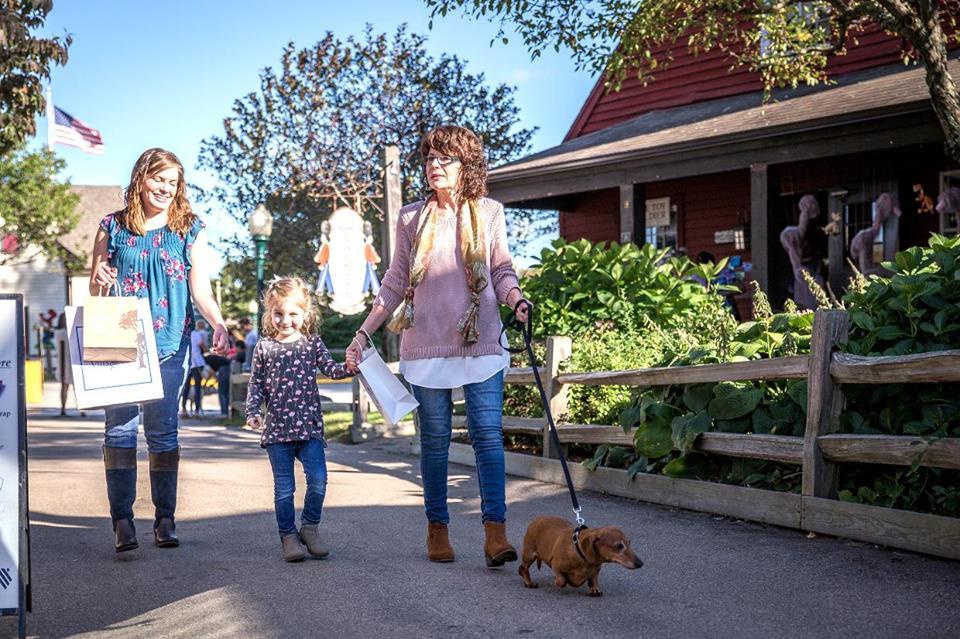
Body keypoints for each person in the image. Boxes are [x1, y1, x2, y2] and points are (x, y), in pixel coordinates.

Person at [345, 125, 530, 566]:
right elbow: (395, 281)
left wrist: (516, 300)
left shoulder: (489, 212)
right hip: (426, 345)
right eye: (429, 158)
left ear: (467, 165)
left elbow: (501, 270)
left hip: (481, 341)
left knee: (488, 435)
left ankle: (495, 533)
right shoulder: (411, 217)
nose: (434, 166)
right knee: (434, 441)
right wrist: (363, 332)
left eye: (445, 158)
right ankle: (437, 530)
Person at [89, 148, 229, 553]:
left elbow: (200, 289)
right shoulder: (111, 227)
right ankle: (122, 522)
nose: (165, 188)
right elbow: (96, 290)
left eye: (172, 182)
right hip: (120, 342)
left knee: (163, 431)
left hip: (169, 342)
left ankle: (165, 519)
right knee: (119, 430)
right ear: (141, 179)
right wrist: (99, 277)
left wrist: (219, 323)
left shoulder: (188, 228)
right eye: (158, 179)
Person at [245, 277, 350, 562]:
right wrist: (253, 412)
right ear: (269, 313)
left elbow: (331, 369)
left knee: (318, 480)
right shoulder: (265, 347)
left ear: (305, 313)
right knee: (284, 489)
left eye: (293, 313)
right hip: (277, 431)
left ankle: (310, 528)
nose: (285, 320)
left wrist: (351, 366)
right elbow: (256, 384)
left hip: (309, 428)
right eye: (278, 313)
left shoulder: (311, 343)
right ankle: (288, 536)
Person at [779, 194, 824, 309]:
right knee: (804, 300)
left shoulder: (814, 233)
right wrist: (797, 267)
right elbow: (793, 251)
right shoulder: (789, 234)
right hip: (800, 271)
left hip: (813, 268)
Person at [181, 319, 208, 416]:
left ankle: (184, 409)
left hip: (186, 363)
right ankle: (197, 411)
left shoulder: (182, 334)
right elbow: (204, 347)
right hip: (197, 363)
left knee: (186, 387)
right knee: (197, 387)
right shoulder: (196, 334)